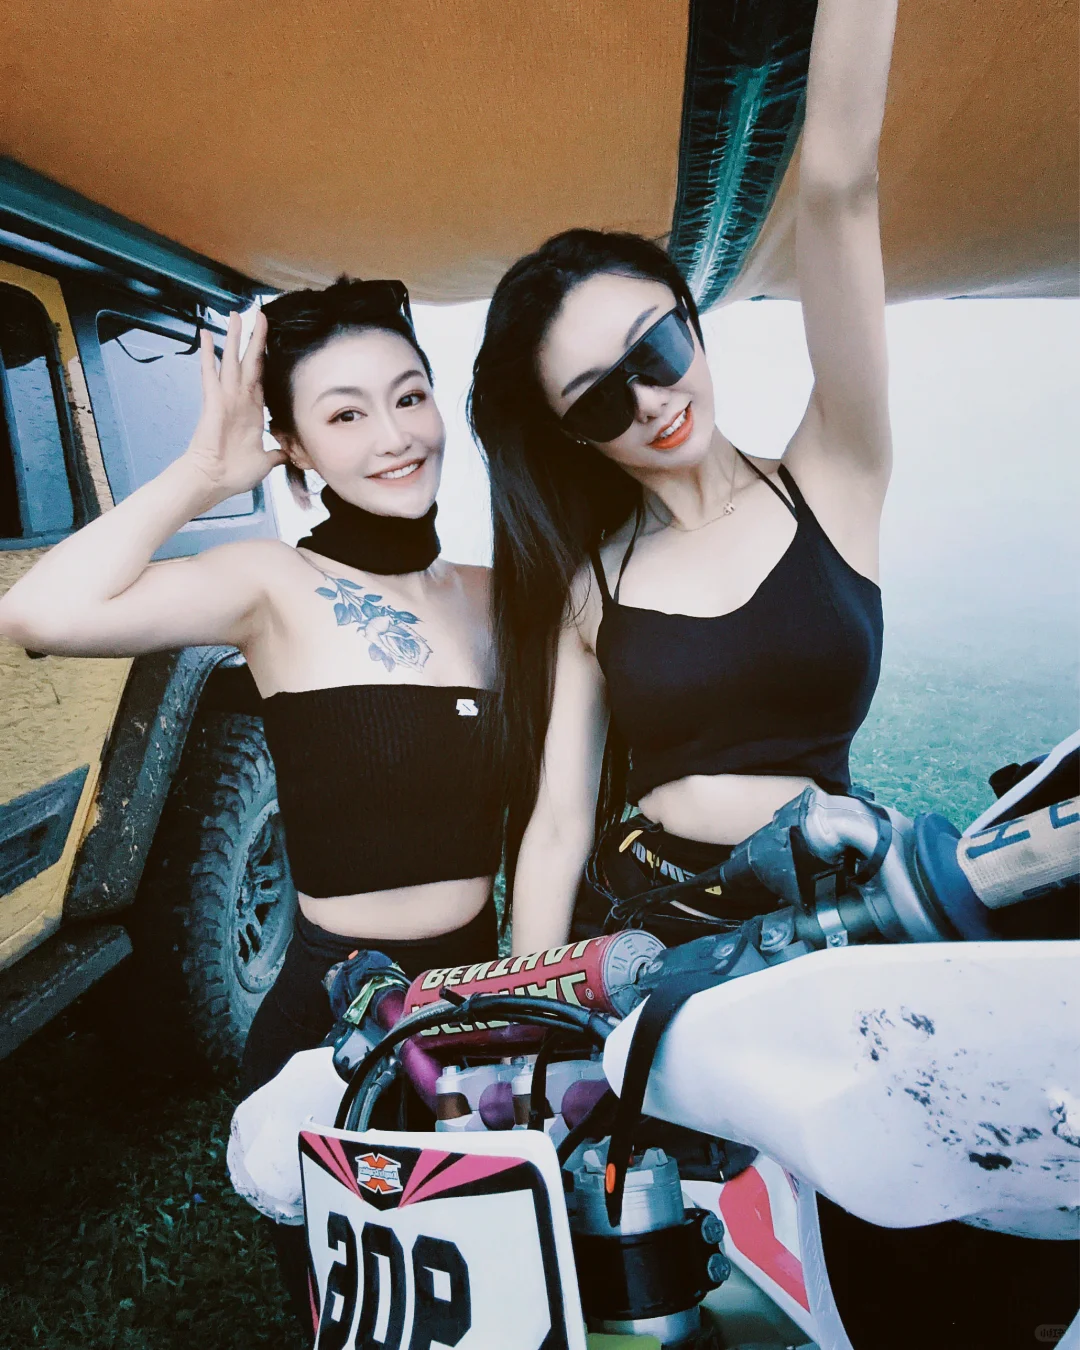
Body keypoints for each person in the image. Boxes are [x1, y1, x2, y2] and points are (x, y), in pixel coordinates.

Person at [0, 277, 501, 1314]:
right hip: (334, 1018)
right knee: (355, 1316)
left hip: (486, 999)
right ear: (297, 448)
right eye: (345, 415)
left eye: (409, 396)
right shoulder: (271, 584)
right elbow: (40, 611)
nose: (394, 436)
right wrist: (201, 473)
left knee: (499, 1294)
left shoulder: (497, 596)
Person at [469, 0, 896, 953]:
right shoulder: (592, 588)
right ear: (573, 438)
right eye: (597, 402)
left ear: (691, 317)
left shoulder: (836, 473)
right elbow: (556, 826)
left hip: (824, 913)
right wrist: (529, 1002)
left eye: (655, 347)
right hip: (647, 921)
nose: (652, 401)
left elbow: (839, 190)